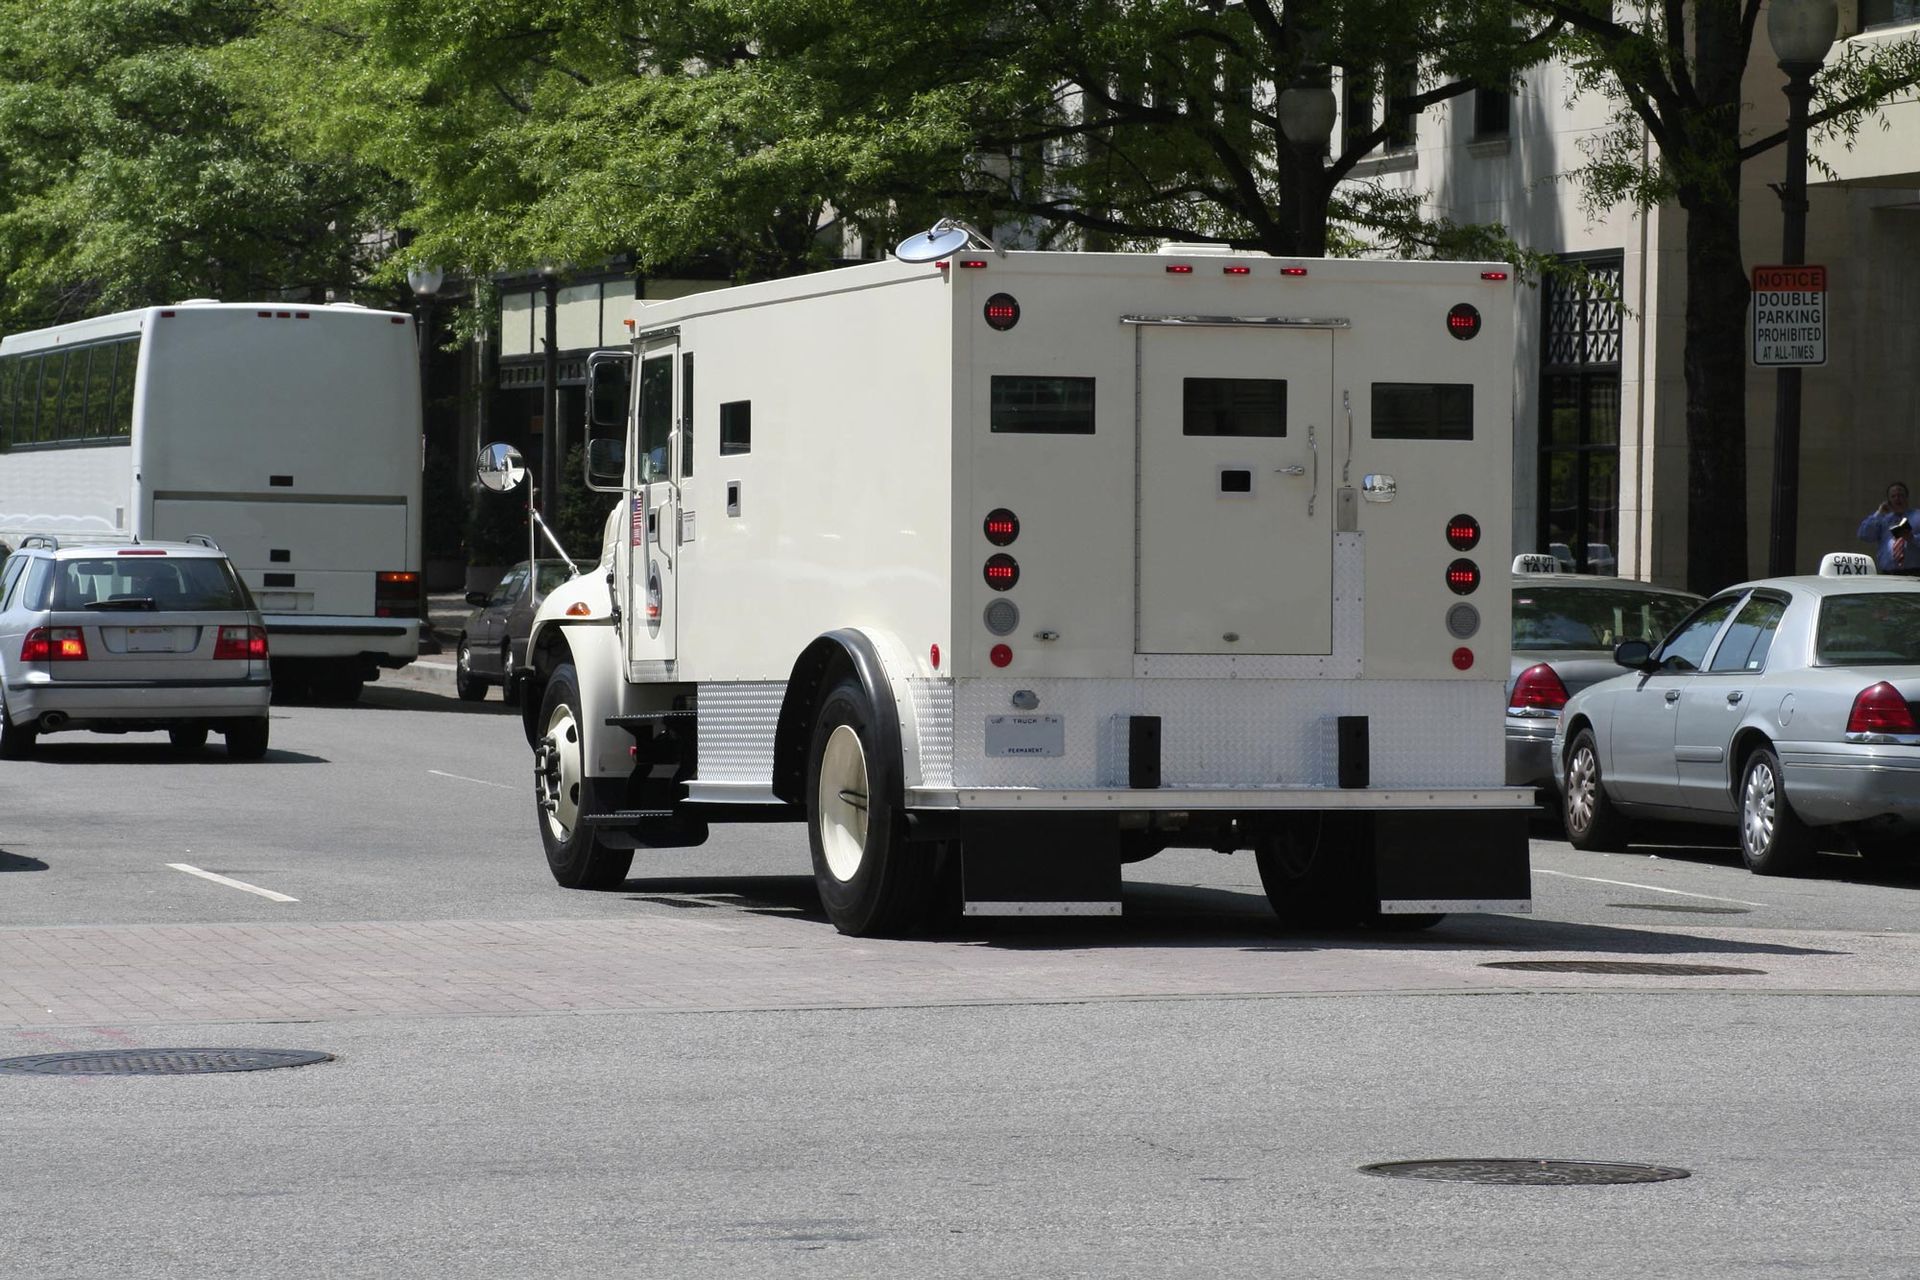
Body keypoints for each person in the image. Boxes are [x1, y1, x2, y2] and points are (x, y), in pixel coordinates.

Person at [1857, 481, 1915, 573]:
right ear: (1889, 501)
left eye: (1900, 495)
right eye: (1893, 496)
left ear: (1906, 498)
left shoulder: (1918, 517)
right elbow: (1864, 535)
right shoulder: (1883, 520)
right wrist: (1878, 513)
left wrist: (1913, 538)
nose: (1897, 499)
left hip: (1914, 572)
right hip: (1888, 573)